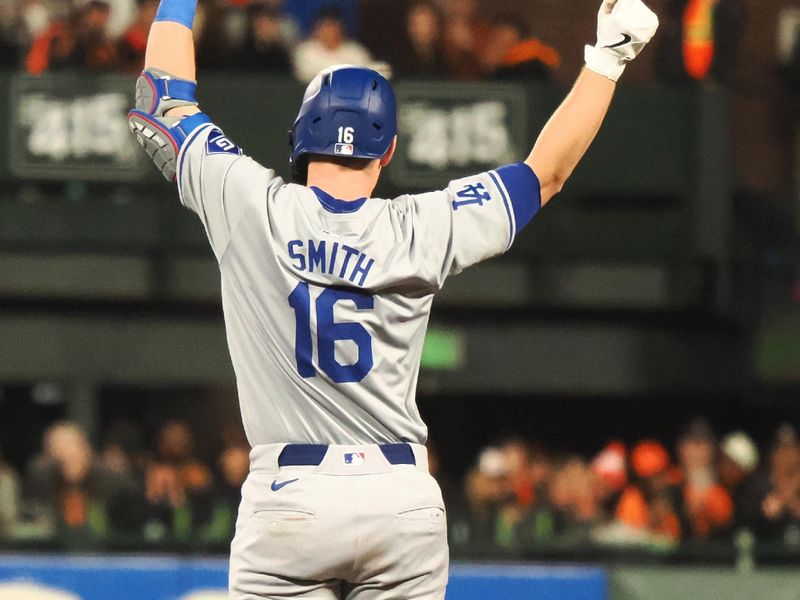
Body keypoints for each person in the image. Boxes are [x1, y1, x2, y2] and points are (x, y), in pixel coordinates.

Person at [127, 0, 658, 596]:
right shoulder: (422, 225)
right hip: (400, 499)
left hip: (290, 496)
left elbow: (162, 105)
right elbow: (545, 172)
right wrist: (607, 59)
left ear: (301, 134)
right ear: (388, 151)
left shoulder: (250, 204)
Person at [291, 6, 371, 83]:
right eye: (325, 27)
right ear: (317, 28)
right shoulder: (305, 51)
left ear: (341, 28)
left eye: (332, 26)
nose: (329, 31)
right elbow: (303, 78)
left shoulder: (356, 52)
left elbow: (366, 77)